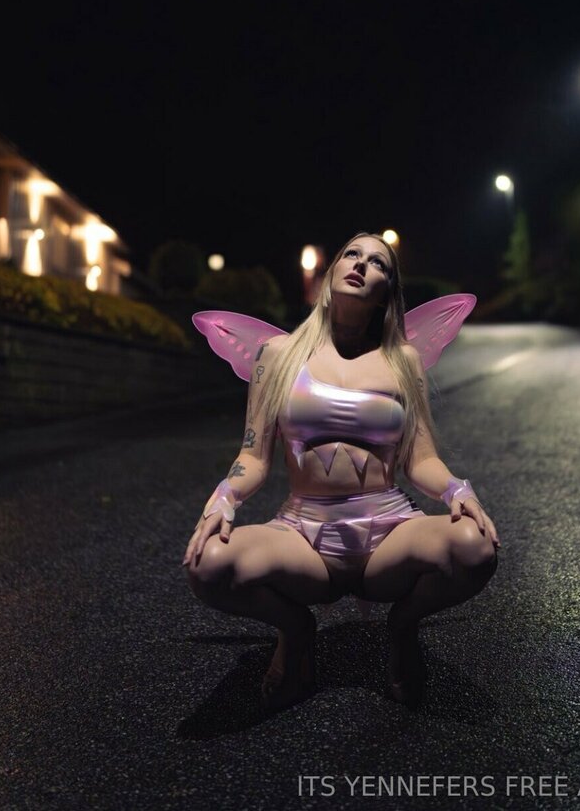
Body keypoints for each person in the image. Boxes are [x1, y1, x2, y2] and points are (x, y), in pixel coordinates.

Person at [183, 231, 500, 711]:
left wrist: (459, 491)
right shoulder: (278, 354)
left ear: (387, 292)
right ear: (331, 272)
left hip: (390, 535)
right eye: (352, 254)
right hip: (303, 536)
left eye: (378, 263)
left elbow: (422, 460)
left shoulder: (403, 361)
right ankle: (296, 629)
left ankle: (402, 627)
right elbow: (254, 457)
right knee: (207, 564)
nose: (361, 264)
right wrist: (225, 497)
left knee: (476, 548)